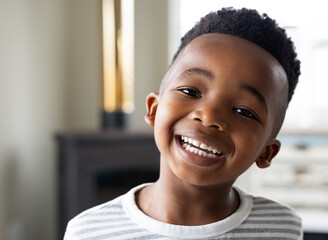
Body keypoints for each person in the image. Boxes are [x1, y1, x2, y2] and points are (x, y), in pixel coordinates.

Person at [64, 7, 302, 239]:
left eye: (243, 111)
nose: (209, 117)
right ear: (154, 110)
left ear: (266, 153)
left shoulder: (283, 227)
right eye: (190, 91)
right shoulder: (88, 232)